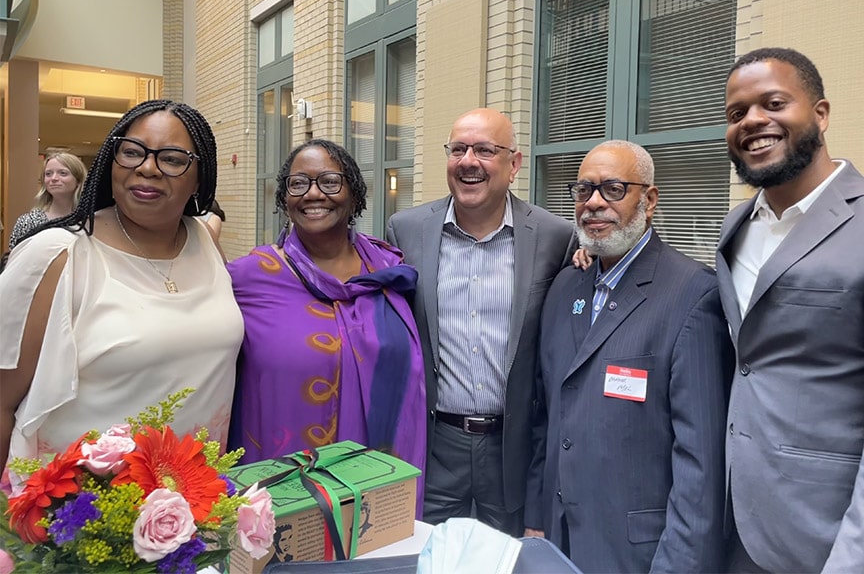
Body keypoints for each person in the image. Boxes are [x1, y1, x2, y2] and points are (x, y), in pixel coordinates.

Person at [718, 47, 864, 573]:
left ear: (819, 114)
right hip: (736, 524)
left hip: (828, 539)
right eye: (736, 114)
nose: (753, 121)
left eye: (773, 103)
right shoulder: (737, 227)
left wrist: (858, 562)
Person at [0, 99, 243, 484]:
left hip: (194, 508)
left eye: (173, 159)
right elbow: (2, 400)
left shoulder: (205, 242)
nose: (147, 168)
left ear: (200, 176)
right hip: (75, 516)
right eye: (131, 152)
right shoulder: (57, 254)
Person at [524, 140, 731, 572]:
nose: (594, 204)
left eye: (614, 189)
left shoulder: (693, 294)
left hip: (641, 553)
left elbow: (702, 465)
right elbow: (548, 416)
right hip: (560, 540)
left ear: (649, 200)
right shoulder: (565, 288)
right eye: (584, 191)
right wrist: (537, 518)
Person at [386, 108, 577, 536]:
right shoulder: (407, 230)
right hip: (435, 445)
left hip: (513, 447)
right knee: (426, 558)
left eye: (485, 150)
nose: (468, 161)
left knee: (507, 560)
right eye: (458, 149)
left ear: (514, 164)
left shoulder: (555, 237)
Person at [226, 139, 426, 508]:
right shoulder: (247, 278)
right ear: (285, 198)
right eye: (298, 183)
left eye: (330, 181)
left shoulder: (388, 270)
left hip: (379, 473)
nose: (313, 194)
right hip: (282, 485)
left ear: (354, 193)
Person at [8, 152, 87, 250]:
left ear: (78, 180)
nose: (53, 178)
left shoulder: (90, 222)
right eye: (48, 174)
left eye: (63, 173)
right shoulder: (29, 222)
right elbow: (15, 260)